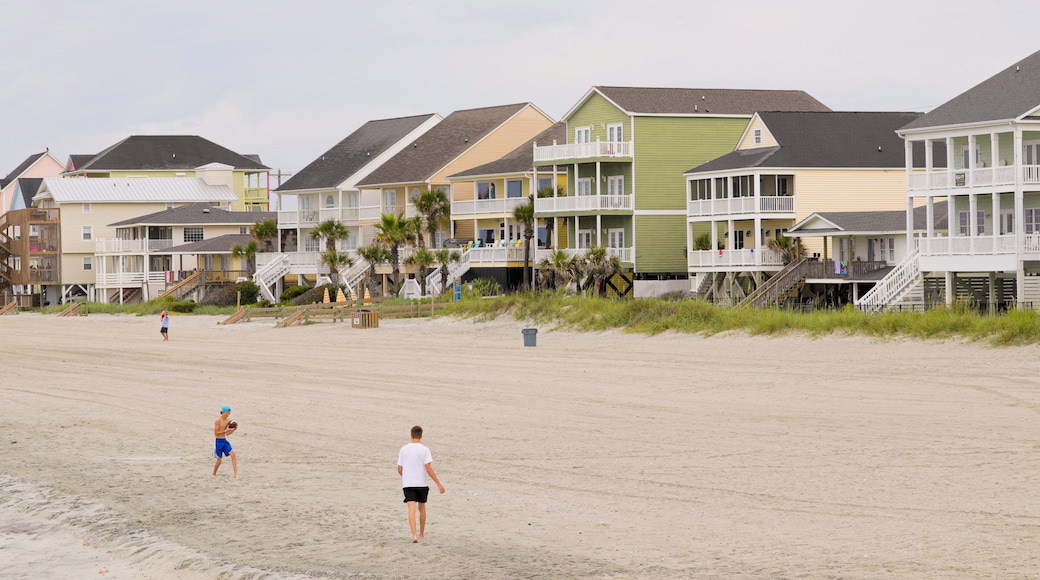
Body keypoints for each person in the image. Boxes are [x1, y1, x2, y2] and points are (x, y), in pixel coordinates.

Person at [396, 425, 445, 543]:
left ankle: (414, 535)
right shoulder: (425, 449)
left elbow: (399, 468)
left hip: (408, 484)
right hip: (422, 483)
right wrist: (439, 483)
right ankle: (422, 533)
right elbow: (428, 467)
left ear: (411, 435)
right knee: (422, 508)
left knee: (411, 509)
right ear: (421, 436)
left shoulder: (404, 449)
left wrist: (407, 477)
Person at [212, 405, 238, 478]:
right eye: (227, 413)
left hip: (224, 440)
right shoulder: (218, 420)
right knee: (219, 461)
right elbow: (216, 432)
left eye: (229, 413)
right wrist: (225, 431)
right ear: (222, 412)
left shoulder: (228, 421)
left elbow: (227, 434)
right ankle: (214, 473)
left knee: (233, 454)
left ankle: (236, 474)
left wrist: (233, 429)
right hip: (217, 441)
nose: (228, 414)